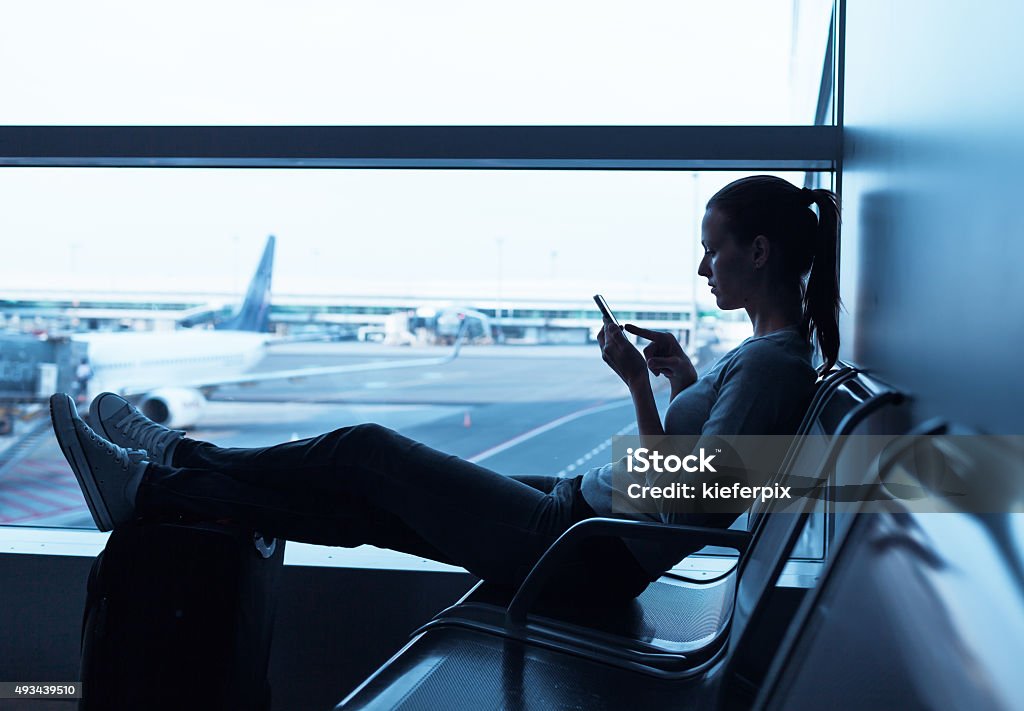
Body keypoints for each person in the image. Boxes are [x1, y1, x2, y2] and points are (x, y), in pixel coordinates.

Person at [50, 176, 840, 604]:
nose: (703, 269)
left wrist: (638, 386)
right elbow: (712, 473)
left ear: (759, 251)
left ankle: (165, 464)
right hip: (580, 522)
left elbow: (691, 504)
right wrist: (685, 381)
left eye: (713, 250)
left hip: (581, 552)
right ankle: (158, 485)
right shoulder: (768, 357)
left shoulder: (774, 364)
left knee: (366, 452)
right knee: (362, 501)